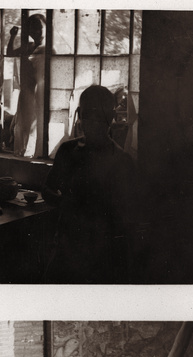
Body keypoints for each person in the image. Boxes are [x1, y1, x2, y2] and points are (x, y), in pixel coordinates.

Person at [42, 84, 137, 284]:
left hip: (102, 253)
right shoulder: (67, 151)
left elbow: (126, 219)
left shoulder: (121, 161)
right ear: (79, 115)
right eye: (86, 115)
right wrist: (63, 203)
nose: (90, 122)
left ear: (110, 118)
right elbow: (48, 189)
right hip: (66, 245)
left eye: (97, 116)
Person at [7, 14, 47, 157]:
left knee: (37, 127)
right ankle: (22, 154)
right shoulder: (28, 47)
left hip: (40, 94)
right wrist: (12, 36)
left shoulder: (48, 49)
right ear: (29, 32)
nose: (37, 32)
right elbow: (10, 53)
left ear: (45, 28)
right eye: (33, 29)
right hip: (26, 94)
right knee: (24, 126)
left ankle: (37, 154)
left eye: (40, 28)